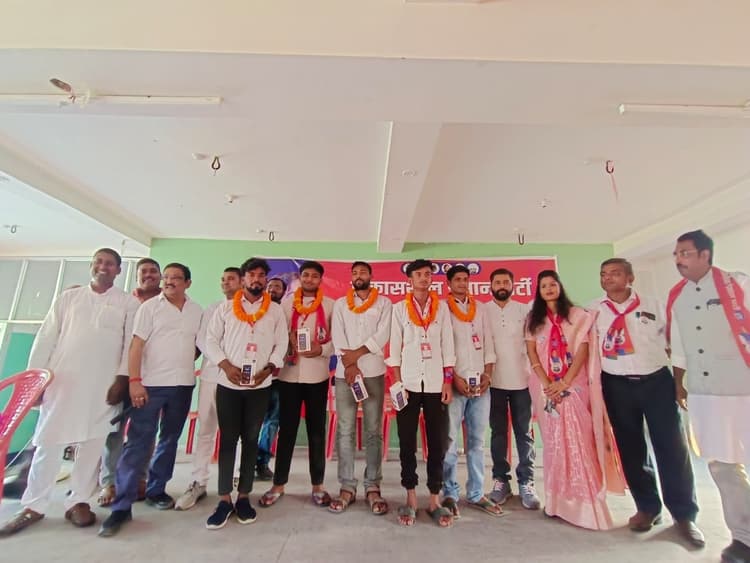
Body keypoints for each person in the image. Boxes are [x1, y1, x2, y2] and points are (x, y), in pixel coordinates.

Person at [0, 248, 138, 536]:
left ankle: (79, 501)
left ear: (118, 270)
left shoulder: (127, 303)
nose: (103, 267)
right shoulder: (68, 298)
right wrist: (36, 381)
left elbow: (130, 344)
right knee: (48, 441)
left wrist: (122, 379)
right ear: (92, 266)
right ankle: (34, 504)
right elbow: (46, 338)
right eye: (99, 262)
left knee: (92, 443)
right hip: (62, 382)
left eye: (110, 264)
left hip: (103, 386)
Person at [593, 258, 703, 545]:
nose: (608, 278)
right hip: (616, 385)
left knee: (672, 447)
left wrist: (679, 384)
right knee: (631, 448)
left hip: (656, 382)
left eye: (615, 273)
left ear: (630, 277)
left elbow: (676, 345)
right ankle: (647, 507)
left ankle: (685, 515)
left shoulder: (656, 305)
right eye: (603, 274)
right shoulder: (594, 311)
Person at [99, 263, 203, 537]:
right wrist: (135, 381)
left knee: (169, 439)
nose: (169, 281)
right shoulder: (149, 308)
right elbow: (136, 346)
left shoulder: (196, 311)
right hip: (151, 385)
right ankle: (122, 506)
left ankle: (157, 490)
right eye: (166, 277)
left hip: (183, 385)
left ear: (187, 283)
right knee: (138, 442)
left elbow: (199, 345)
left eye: (176, 278)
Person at [668, 230, 750, 563]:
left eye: (685, 253)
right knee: (722, 466)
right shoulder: (678, 296)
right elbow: (678, 345)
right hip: (705, 394)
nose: (679, 260)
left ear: (705, 254)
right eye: (676, 254)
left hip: (744, 387)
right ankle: (743, 538)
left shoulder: (738, 284)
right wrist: (679, 384)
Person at [525, 270, 624, 530]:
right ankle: (556, 503)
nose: (549, 289)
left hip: (574, 387)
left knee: (580, 442)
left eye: (552, 284)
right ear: (538, 291)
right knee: (554, 444)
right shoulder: (533, 320)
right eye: (543, 285)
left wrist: (564, 382)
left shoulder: (578, 316)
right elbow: (532, 353)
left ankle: (587, 507)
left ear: (560, 286)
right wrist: (548, 384)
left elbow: (583, 350)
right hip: (546, 390)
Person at [203, 258, 288, 529]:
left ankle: (243, 497)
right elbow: (210, 340)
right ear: (243, 279)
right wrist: (226, 366)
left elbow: (282, 343)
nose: (257, 279)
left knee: (251, 440)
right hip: (228, 384)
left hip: (259, 386)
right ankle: (224, 499)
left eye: (262, 275)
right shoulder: (226, 308)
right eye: (251, 275)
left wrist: (269, 369)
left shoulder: (275, 311)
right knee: (228, 440)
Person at [259, 261, 334, 508]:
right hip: (289, 376)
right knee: (287, 431)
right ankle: (279, 484)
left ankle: (318, 486)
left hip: (317, 376)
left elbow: (338, 340)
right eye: (306, 275)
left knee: (316, 432)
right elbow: (275, 335)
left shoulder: (330, 305)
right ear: (300, 278)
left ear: (320, 280)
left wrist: (321, 349)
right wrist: (288, 342)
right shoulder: (286, 305)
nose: (310, 279)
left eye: (314, 276)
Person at [387, 259, 455, 528]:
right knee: (407, 441)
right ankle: (411, 497)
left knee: (437, 442)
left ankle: (435, 499)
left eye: (428, 274)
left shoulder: (442, 308)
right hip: (408, 383)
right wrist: (398, 383)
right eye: (419, 274)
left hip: (436, 383)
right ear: (410, 280)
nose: (424, 278)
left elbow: (448, 345)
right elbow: (394, 349)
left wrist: (447, 382)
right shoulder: (399, 309)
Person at [175, 267, 242, 511]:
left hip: (238, 379)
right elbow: (203, 340)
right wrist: (224, 362)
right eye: (222, 279)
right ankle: (198, 481)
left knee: (236, 431)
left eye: (231, 279)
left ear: (243, 282)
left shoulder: (251, 309)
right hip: (212, 375)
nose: (225, 283)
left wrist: (235, 365)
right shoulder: (213, 309)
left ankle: (236, 477)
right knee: (206, 429)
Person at [329, 261, 392, 515]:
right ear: (351, 277)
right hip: (346, 374)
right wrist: (350, 364)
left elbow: (382, 335)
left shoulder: (384, 303)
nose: (358, 276)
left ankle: (373, 486)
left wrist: (356, 356)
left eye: (363, 272)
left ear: (371, 276)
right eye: (354, 273)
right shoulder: (340, 304)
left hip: (374, 372)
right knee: (345, 430)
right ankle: (347, 486)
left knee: (373, 431)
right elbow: (338, 335)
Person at [98, 257, 161, 507]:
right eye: (143, 271)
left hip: (151, 377)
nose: (148, 275)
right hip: (120, 377)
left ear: (160, 276)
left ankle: (140, 478)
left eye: (153, 271)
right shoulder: (124, 302)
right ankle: (109, 482)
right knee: (112, 431)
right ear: (136, 276)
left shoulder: (166, 303)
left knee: (145, 431)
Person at [441, 265, 501, 518]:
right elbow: (443, 347)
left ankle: (476, 493)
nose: (462, 283)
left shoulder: (481, 309)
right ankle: (450, 493)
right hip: (455, 384)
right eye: (458, 280)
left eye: (466, 279)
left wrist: (488, 375)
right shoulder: (443, 309)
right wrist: (454, 378)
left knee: (476, 442)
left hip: (480, 386)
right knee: (449, 441)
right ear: (449, 284)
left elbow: (488, 344)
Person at [485, 268, 540, 509]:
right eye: (497, 282)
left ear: (513, 285)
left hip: (521, 382)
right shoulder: (483, 310)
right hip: (494, 382)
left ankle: (527, 482)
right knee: (498, 433)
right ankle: (501, 481)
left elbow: (535, 343)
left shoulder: (524, 310)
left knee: (524, 434)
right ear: (490, 285)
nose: (501, 285)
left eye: (506, 281)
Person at [255, 277, 287, 481]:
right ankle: (245, 461)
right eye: (270, 286)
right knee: (252, 421)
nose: (272, 289)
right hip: (255, 376)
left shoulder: (285, 313)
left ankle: (262, 462)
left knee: (272, 421)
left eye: (277, 287)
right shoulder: (254, 311)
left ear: (284, 292)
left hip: (277, 378)